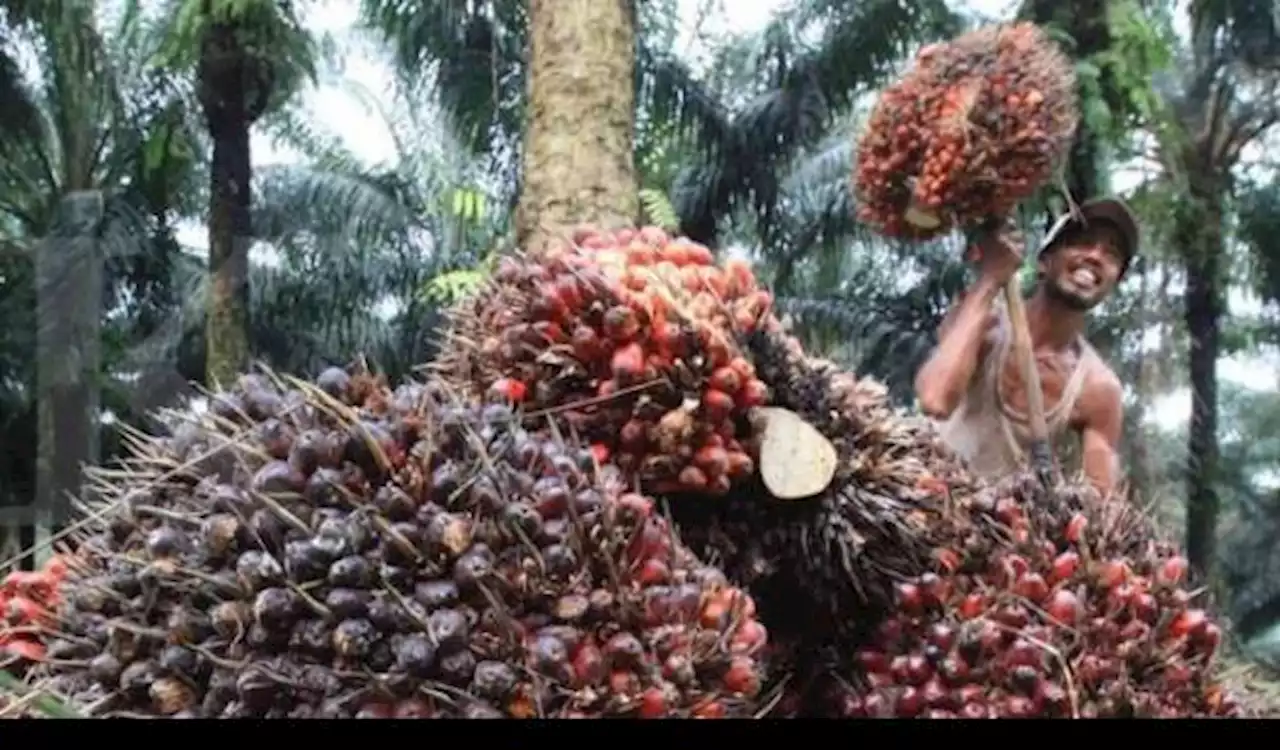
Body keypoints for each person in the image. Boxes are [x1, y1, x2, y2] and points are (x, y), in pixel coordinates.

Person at [914, 197, 1138, 496]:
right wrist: (992, 276)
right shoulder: (982, 322)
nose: (1095, 256)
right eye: (1081, 242)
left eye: (1111, 254)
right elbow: (934, 400)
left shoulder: (1098, 389)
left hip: (993, 533)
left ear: (1113, 282)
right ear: (1045, 261)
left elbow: (1102, 505)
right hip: (923, 497)